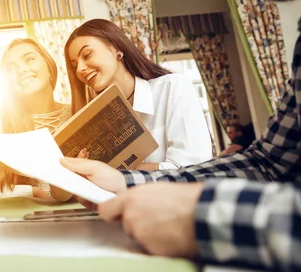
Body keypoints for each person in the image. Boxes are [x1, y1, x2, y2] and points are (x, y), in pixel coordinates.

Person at [61, 0, 301, 272]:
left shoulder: (171, 88)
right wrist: (121, 182)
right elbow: (269, 163)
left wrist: (198, 213)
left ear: (117, 50)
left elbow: (200, 164)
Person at [65, 19, 213, 170]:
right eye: (75, 65)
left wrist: (117, 174)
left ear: (116, 49)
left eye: (87, 55)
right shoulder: (94, 121)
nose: (80, 69)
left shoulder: (172, 89)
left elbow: (193, 169)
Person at [0, 38, 72, 206]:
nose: (21, 70)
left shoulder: (77, 113)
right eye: (11, 68)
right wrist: (32, 192)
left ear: (49, 68)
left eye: (29, 59)